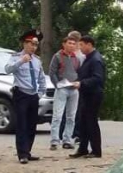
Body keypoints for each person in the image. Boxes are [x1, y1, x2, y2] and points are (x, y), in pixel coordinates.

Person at [5, 29, 47, 164]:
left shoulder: (37, 61)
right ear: (24, 43)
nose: (33, 47)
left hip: (33, 95)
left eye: (36, 45)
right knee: (22, 124)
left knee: (31, 125)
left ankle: (28, 151)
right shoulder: (16, 57)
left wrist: (40, 93)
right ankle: (22, 154)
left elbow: (41, 78)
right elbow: (7, 69)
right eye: (31, 44)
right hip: (21, 94)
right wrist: (21, 61)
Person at [70, 35, 105, 159]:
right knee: (83, 122)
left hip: (93, 95)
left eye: (82, 45)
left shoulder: (96, 59)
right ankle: (83, 148)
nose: (80, 48)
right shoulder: (88, 58)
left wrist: (82, 83)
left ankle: (96, 150)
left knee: (91, 122)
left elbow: (97, 78)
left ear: (89, 45)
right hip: (86, 94)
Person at [49, 35, 80, 150]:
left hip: (74, 89)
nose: (72, 45)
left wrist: (78, 82)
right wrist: (58, 85)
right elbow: (52, 73)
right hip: (62, 88)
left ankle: (67, 139)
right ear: (64, 44)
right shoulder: (57, 56)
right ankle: (54, 140)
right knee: (57, 115)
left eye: (73, 43)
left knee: (71, 116)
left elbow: (79, 71)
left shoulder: (76, 58)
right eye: (69, 43)